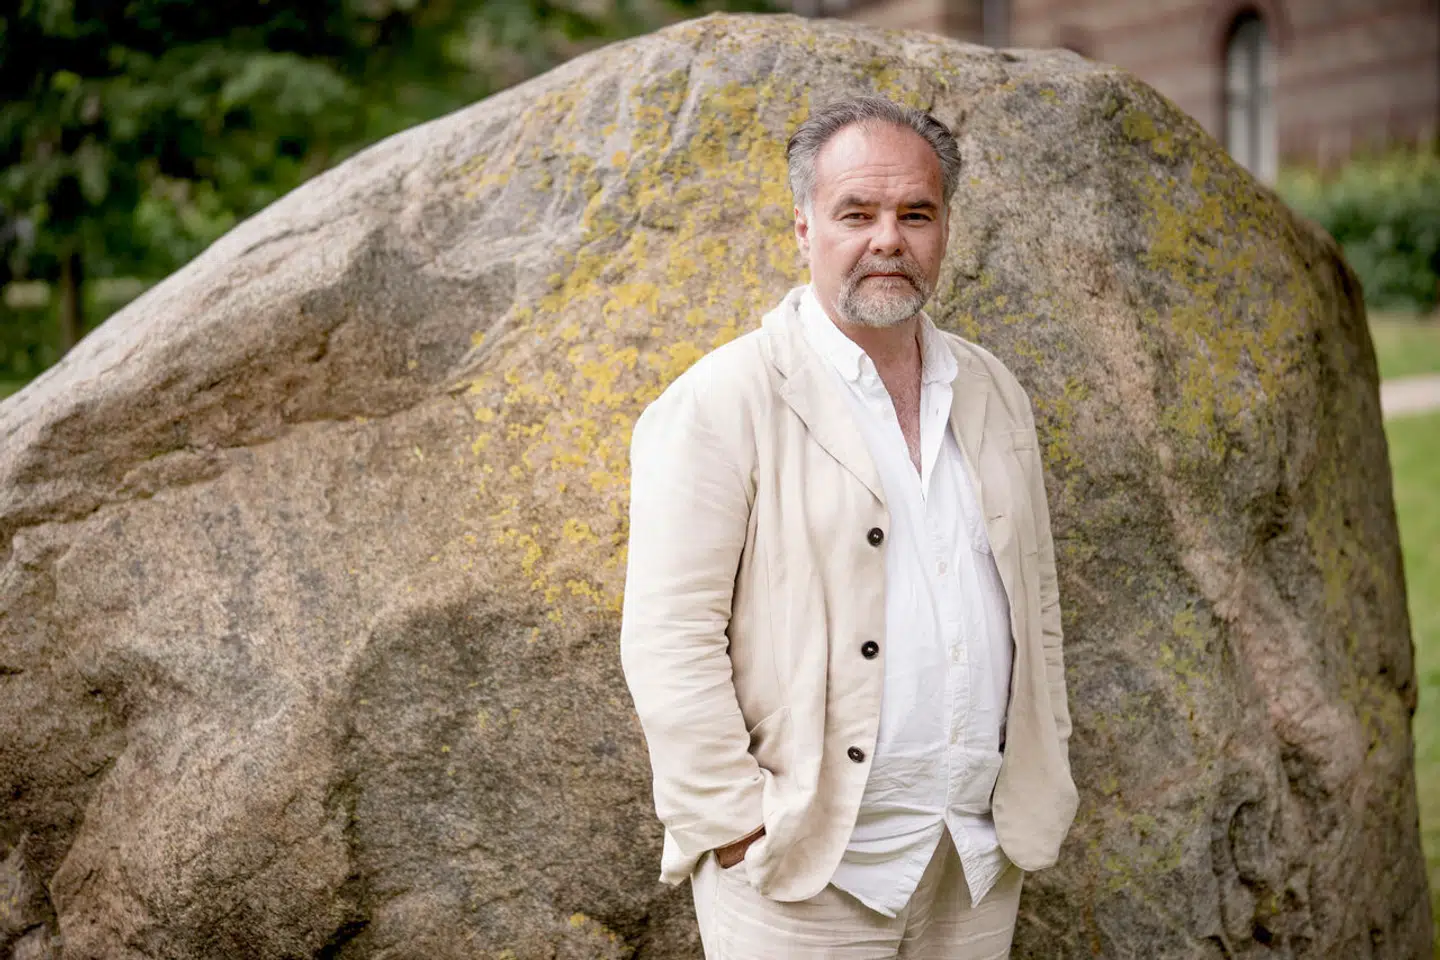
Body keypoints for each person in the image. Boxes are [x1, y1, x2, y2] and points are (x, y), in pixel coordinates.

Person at [619, 95, 1077, 959]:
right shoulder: (723, 401)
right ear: (805, 228)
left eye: (916, 214)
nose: (888, 240)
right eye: (856, 214)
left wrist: (1043, 767)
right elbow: (667, 636)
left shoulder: (993, 391)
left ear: (945, 228)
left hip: (973, 853)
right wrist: (737, 827)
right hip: (803, 867)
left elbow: (1036, 602)